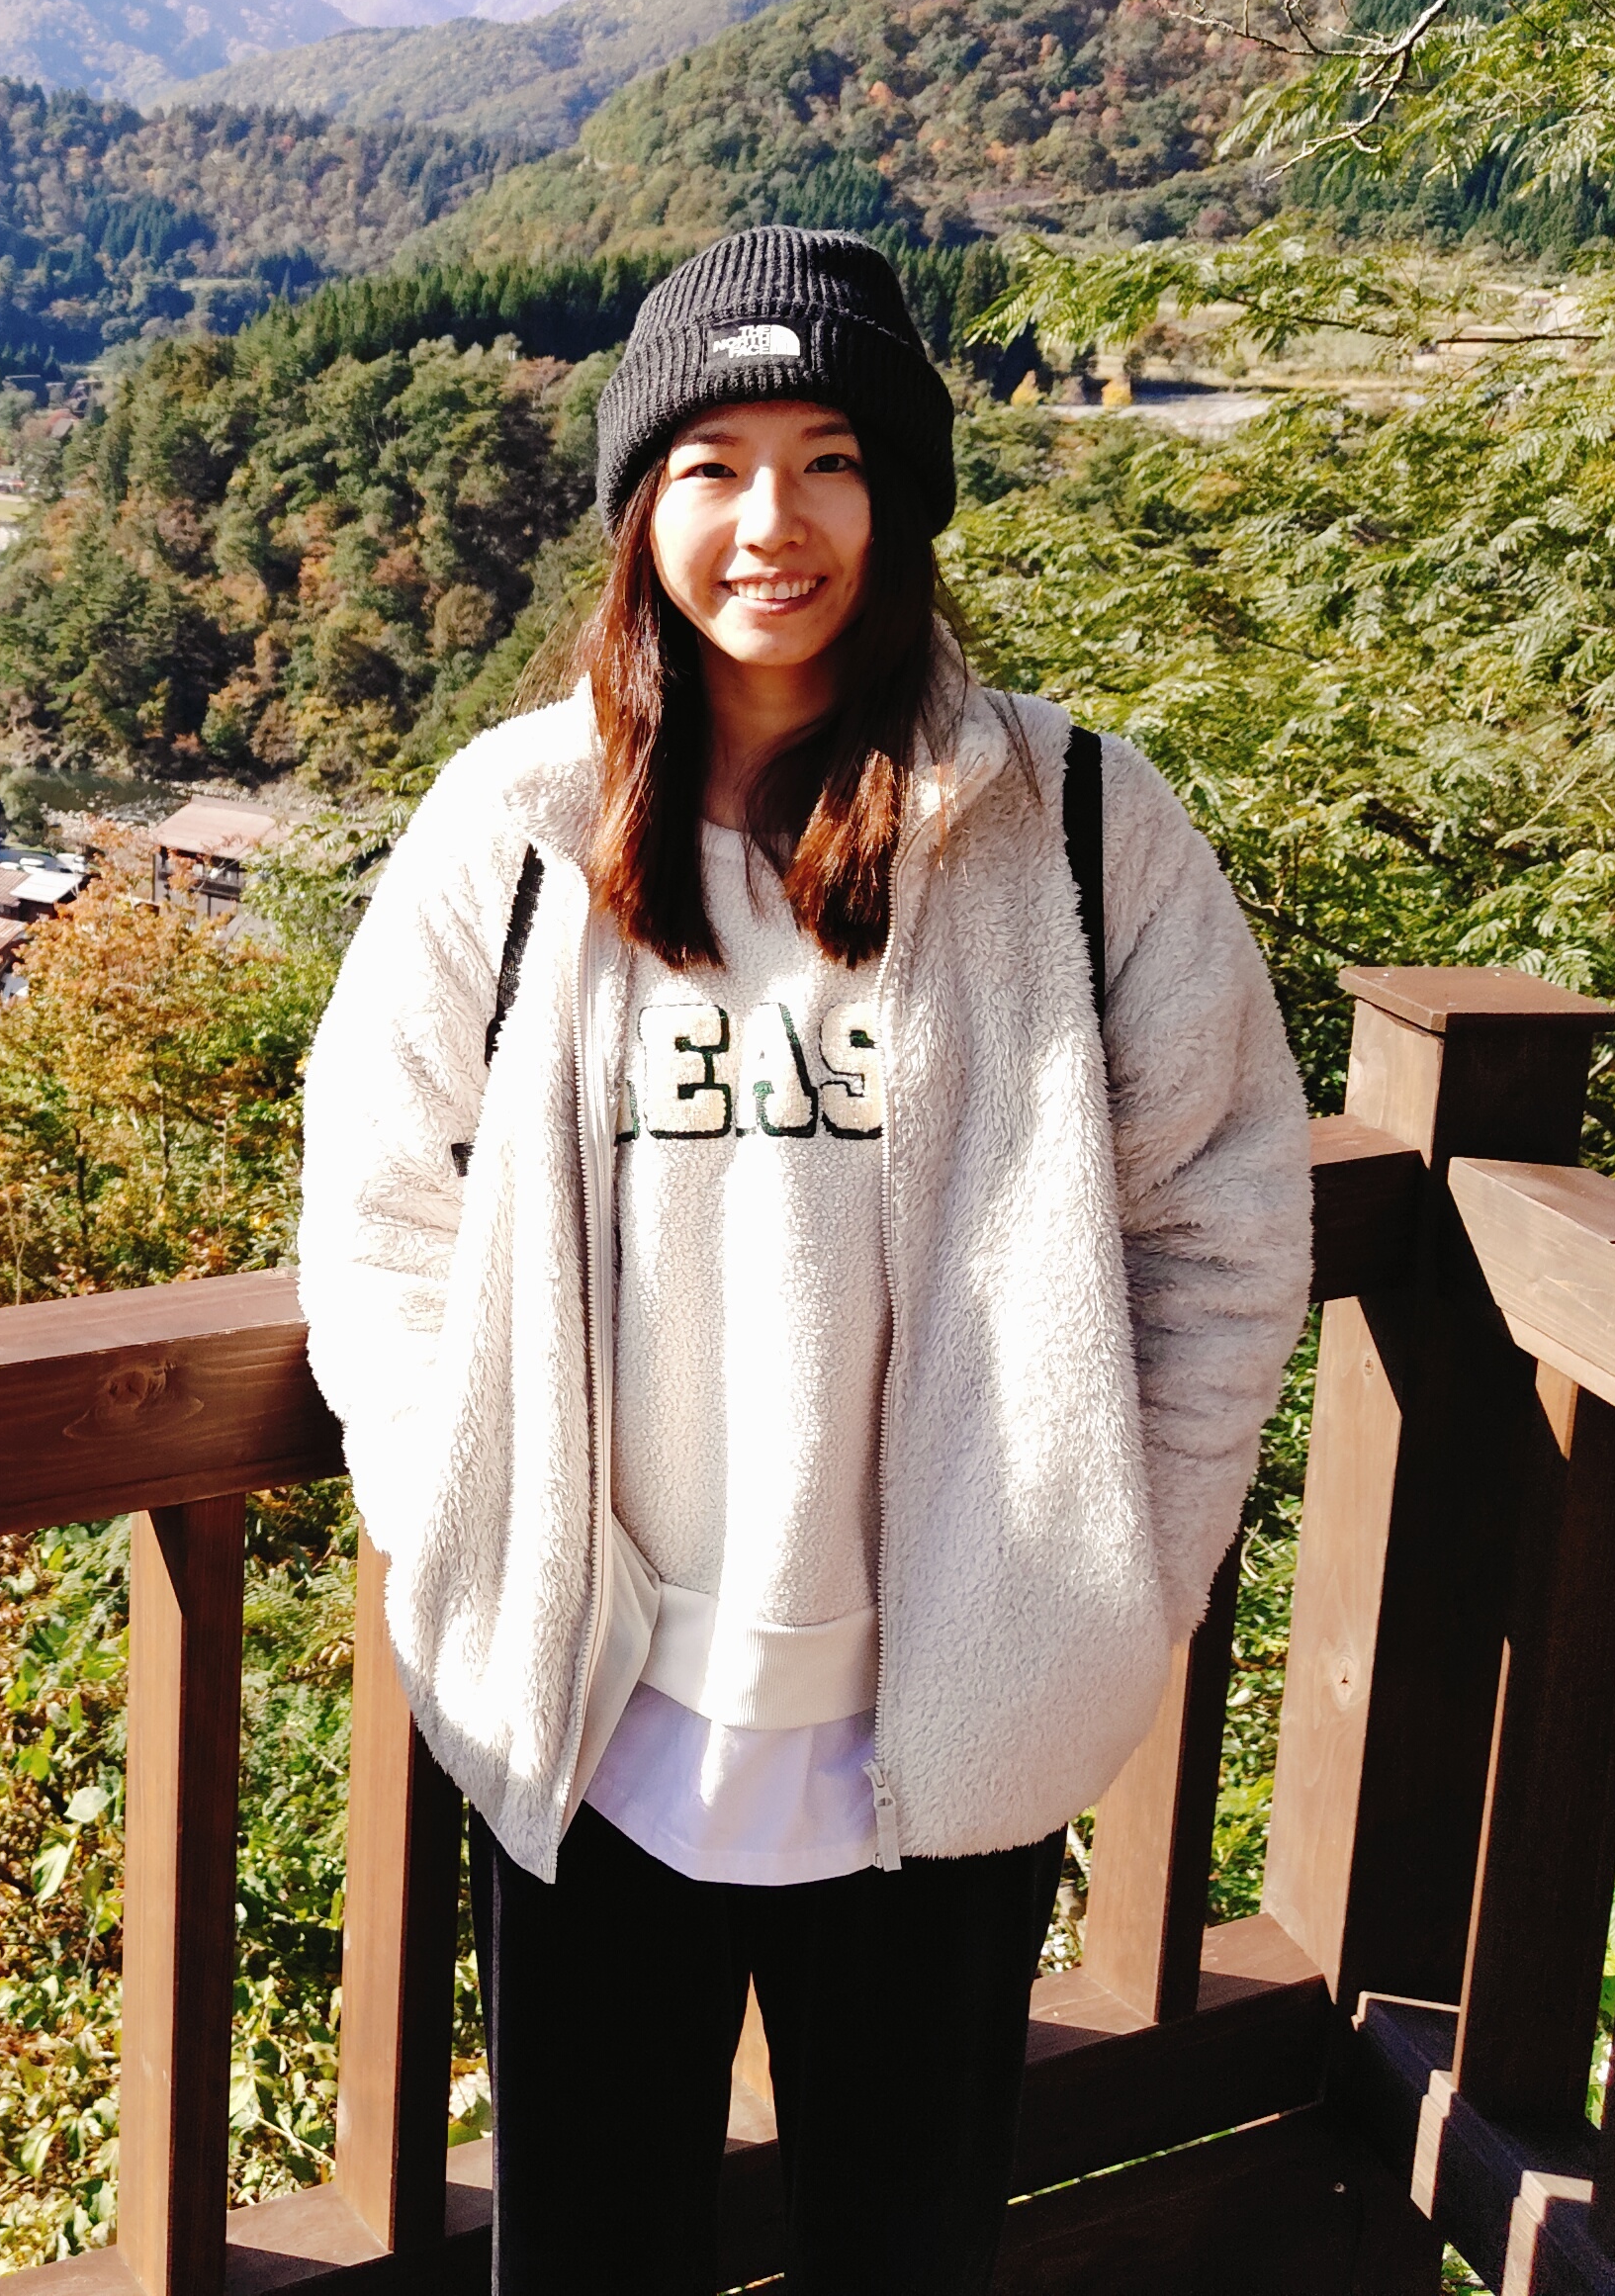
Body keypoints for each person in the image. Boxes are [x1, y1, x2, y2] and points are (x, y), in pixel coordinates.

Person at [297, 225, 1313, 2293]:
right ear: (635, 509)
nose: (770, 522)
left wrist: (1121, 1577)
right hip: (590, 1723)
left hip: (946, 1712)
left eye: (828, 457)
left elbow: (1216, 1225)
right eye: (708, 463)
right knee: (585, 2255)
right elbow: (379, 1199)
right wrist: (458, 1514)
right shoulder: (512, 824)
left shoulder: (1077, 823)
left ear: (901, 492)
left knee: (906, 2249)